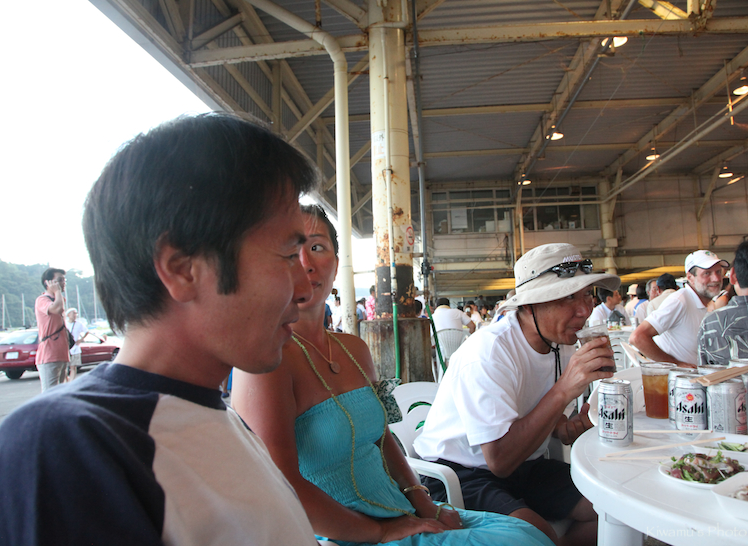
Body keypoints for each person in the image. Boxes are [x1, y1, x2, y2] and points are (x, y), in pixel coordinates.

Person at [0, 114, 321, 545]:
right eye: (289, 255)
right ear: (181, 268)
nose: (305, 288)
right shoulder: (67, 447)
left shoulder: (216, 416)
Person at [231, 206, 552, 546]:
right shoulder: (265, 360)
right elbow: (279, 484)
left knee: (530, 533)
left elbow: (383, 439)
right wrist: (381, 532)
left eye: (316, 247)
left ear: (336, 265)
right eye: (289, 249)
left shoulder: (355, 350)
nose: (305, 262)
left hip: (398, 512)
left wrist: (424, 505)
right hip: (339, 533)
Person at [414, 243, 619, 546]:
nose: (584, 309)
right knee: (535, 536)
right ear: (530, 305)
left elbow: (551, 423)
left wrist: (569, 426)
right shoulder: (489, 352)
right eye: (568, 297)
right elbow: (499, 460)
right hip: (459, 474)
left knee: (615, 509)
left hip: (525, 464)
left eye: (588, 294)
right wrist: (564, 390)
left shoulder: (560, 343)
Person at [629, 250, 729, 367]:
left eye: (718, 272)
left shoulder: (706, 303)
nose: (716, 278)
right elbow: (637, 337)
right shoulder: (680, 301)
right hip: (680, 377)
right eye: (707, 273)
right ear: (690, 277)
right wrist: (677, 364)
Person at [33, 268, 70, 391]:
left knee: (60, 392)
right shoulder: (42, 300)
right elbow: (57, 309)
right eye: (59, 280)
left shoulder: (59, 300)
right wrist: (57, 291)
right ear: (48, 283)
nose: (63, 283)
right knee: (49, 393)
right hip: (49, 354)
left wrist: (58, 294)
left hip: (62, 353)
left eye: (64, 280)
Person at [65, 307, 88, 381]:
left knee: (73, 366)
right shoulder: (65, 324)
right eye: (73, 313)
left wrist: (80, 339)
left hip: (75, 348)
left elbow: (86, 331)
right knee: (64, 367)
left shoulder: (79, 324)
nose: (75, 315)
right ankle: (67, 380)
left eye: (76, 313)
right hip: (66, 348)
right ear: (68, 315)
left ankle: (71, 381)